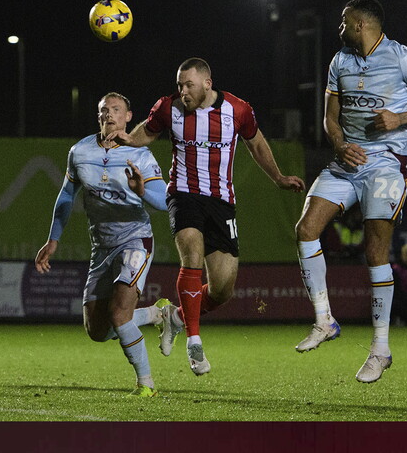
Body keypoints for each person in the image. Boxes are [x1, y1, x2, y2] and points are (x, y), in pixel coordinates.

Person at [109, 58, 305, 375]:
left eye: (188, 85)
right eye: (179, 85)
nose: (182, 91)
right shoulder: (167, 107)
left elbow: (256, 144)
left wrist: (279, 178)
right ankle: (194, 343)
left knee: (222, 290)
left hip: (221, 202)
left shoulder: (238, 110)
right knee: (191, 254)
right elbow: (148, 130)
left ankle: (173, 317)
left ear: (207, 84)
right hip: (183, 195)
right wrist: (128, 139)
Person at [293, 0, 407, 383]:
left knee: (375, 251)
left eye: (344, 22)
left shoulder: (404, 58)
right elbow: (330, 118)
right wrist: (338, 144)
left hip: (387, 162)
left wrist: (403, 116)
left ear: (362, 25)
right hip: (347, 161)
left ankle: (380, 349)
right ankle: (324, 320)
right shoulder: (339, 61)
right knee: (305, 230)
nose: (340, 29)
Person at [35, 92, 169, 397]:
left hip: (136, 239)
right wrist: (53, 239)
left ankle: (145, 383)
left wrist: (142, 189)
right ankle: (158, 315)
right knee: (97, 331)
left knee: (120, 314)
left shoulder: (141, 155)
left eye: (116, 110)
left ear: (128, 117)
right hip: (102, 248)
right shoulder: (79, 151)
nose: (109, 114)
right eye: (103, 110)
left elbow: (164, 201)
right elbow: (67, 196)